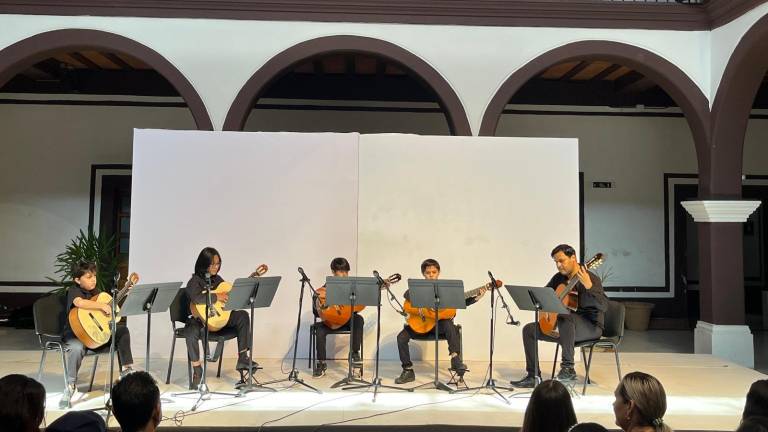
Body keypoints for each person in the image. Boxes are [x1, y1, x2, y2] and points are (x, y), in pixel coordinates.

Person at [511, 244, 607, 388]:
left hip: (590, 326)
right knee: (529, 330)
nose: (558, 265)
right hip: (566, 327)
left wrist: (588, 286)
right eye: (556, 262)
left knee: (564, 317)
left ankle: (568, 369)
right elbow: (543, 296)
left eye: (561, 260)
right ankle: (533, 376)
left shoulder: (591, 279)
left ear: (573, 257)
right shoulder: (558, 278)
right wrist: (547, 313)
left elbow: (603, 306)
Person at [394, 258, 486, 384]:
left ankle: (455, 359)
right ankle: (408, 370)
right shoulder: (419, 287)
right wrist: (423, 304)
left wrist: (477, 297)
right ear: (423, 274)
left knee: (449, 324)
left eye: (434, 272)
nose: (431, 275)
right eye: (428, 273)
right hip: (420, 325)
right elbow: (406, 294)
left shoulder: (446, 290)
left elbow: (459, 301)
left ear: (438, 272)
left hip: (438, 327)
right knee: (401, 337)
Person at [61, 261, 135, 408]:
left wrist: (124, 292)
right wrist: (101, 306)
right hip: (76, 335)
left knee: (122, 331)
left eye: (94, 276)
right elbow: (80, 303)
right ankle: (71, 385)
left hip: (96, 334)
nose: (93, 279)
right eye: (88, 277)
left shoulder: (97, 292)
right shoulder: (74, 290)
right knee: (76, 348)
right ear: (77, 280)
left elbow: (111, 308)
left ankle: (126, 370)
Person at [185, 247, 257, 389]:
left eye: (218, 264)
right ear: (203, 264)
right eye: (212, 264)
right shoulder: (194, 281)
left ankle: (243, 358)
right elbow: (197, 298)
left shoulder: (218, 280)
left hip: (219, 319)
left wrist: (238, 293)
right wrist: (216, 296)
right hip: (201, 321)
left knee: (242, 315)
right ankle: (197, 369)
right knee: (190, 331)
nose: (215, 267)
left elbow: (229, 295)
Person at [311, 257, 364, 377]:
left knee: (358, 319)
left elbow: (355, 310)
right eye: (341, 271)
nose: (344, 274)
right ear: (333, 272)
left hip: (345, 320)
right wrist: (319, 306)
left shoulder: (352, 289)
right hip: (329, 322)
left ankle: (354, 353)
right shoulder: (322, 291)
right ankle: (321, 363)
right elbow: (315, 313)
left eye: (346, 271)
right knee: (319, 330)